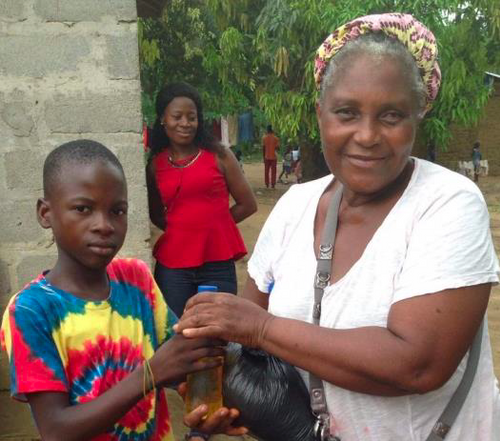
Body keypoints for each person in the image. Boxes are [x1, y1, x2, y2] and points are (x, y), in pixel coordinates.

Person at [176, 13, 500, 440]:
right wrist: (232, 395)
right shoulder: (295, 206)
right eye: (346, 112)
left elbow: (419, 364)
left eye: (391, 116)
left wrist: (260, 328)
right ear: (320, 113)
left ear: (417, 117)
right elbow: (246, 345)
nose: (366, 135)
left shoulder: (447, 204)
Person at [0, 140, 247, 441]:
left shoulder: (136, 279)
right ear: (45, 213)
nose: (104, 225)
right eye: (83, 209)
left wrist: (202, 417)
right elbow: (56, 430)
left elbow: (178, 365)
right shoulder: (30, 310)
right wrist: (150, 374)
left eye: (117, 211)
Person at [146, 82, 257, 319]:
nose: (185, 123)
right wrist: (184, 230)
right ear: (163, 119)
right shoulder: (155, 165)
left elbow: (248, 204)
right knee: (175, 331)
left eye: (192, 117)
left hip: (217, 262)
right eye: (177, 117)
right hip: (173, 266)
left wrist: (213, 226)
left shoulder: (220, 155)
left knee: (217, 333)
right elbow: (156, 214)